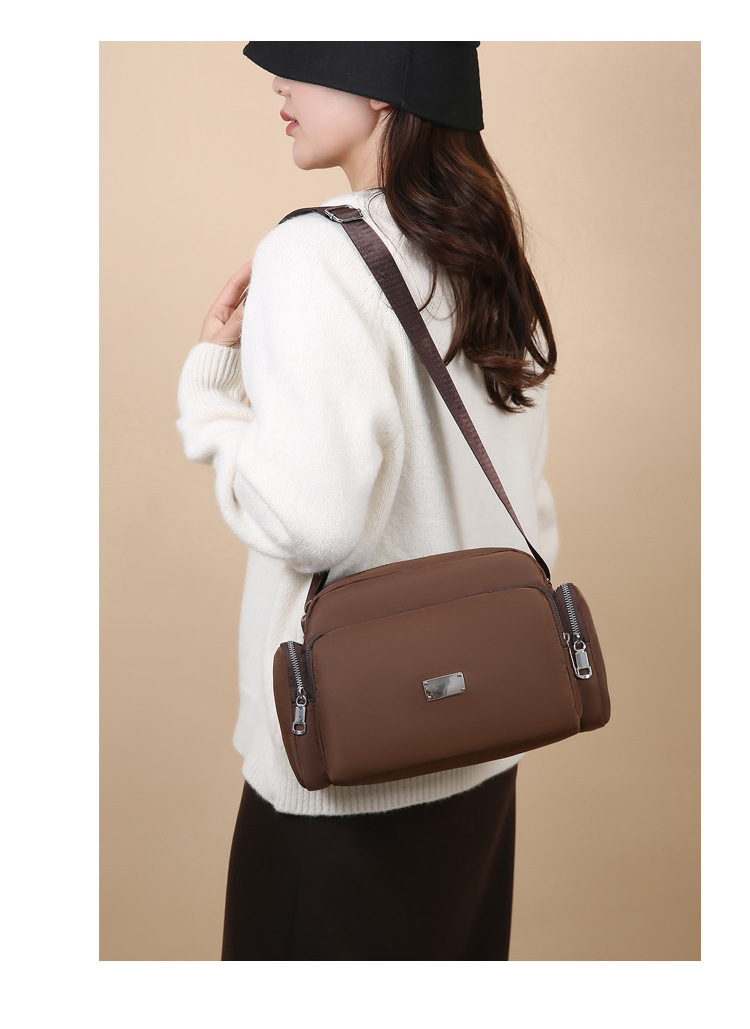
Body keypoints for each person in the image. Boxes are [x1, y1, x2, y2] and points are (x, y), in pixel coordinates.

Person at [176, 41, 559, 961]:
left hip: (343, 770)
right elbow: (526, 500)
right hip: (484, 748)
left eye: (302, 59)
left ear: (384, 90)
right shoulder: (486, 249)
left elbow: (315, 523)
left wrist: (211, 394)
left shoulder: (312, 254)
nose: (278, 82)